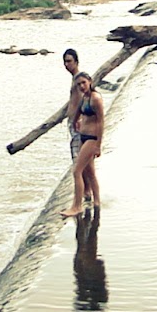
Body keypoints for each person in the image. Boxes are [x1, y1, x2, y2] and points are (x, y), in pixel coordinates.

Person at [61, 72, 104, 217]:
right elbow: (77, 114)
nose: (82, 86)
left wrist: (98, 144)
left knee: (76, 171)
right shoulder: (84, 98)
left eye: (84, 83)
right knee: (90, 173)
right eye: (79, 84)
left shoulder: (96, 99)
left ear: (90, 81)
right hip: (83, 137)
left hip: (92, 138)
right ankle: (97, 202)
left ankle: (77, 206)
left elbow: (101, 122)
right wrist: (74, 123)